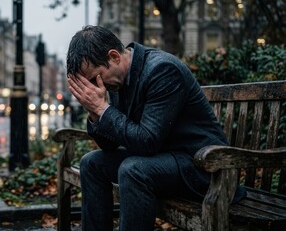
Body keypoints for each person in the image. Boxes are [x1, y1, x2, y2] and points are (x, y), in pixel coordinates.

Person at [66, 25, 246, 231]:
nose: (95, 87)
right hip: (163, 161)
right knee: (91, 163)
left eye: (94, 78)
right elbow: (109, 145)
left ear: (114, 56)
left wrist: (102, 108)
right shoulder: (114, 79)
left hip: (201, 168)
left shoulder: (163, 70)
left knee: (133, 170)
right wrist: (94, 111)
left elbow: (147, 142)